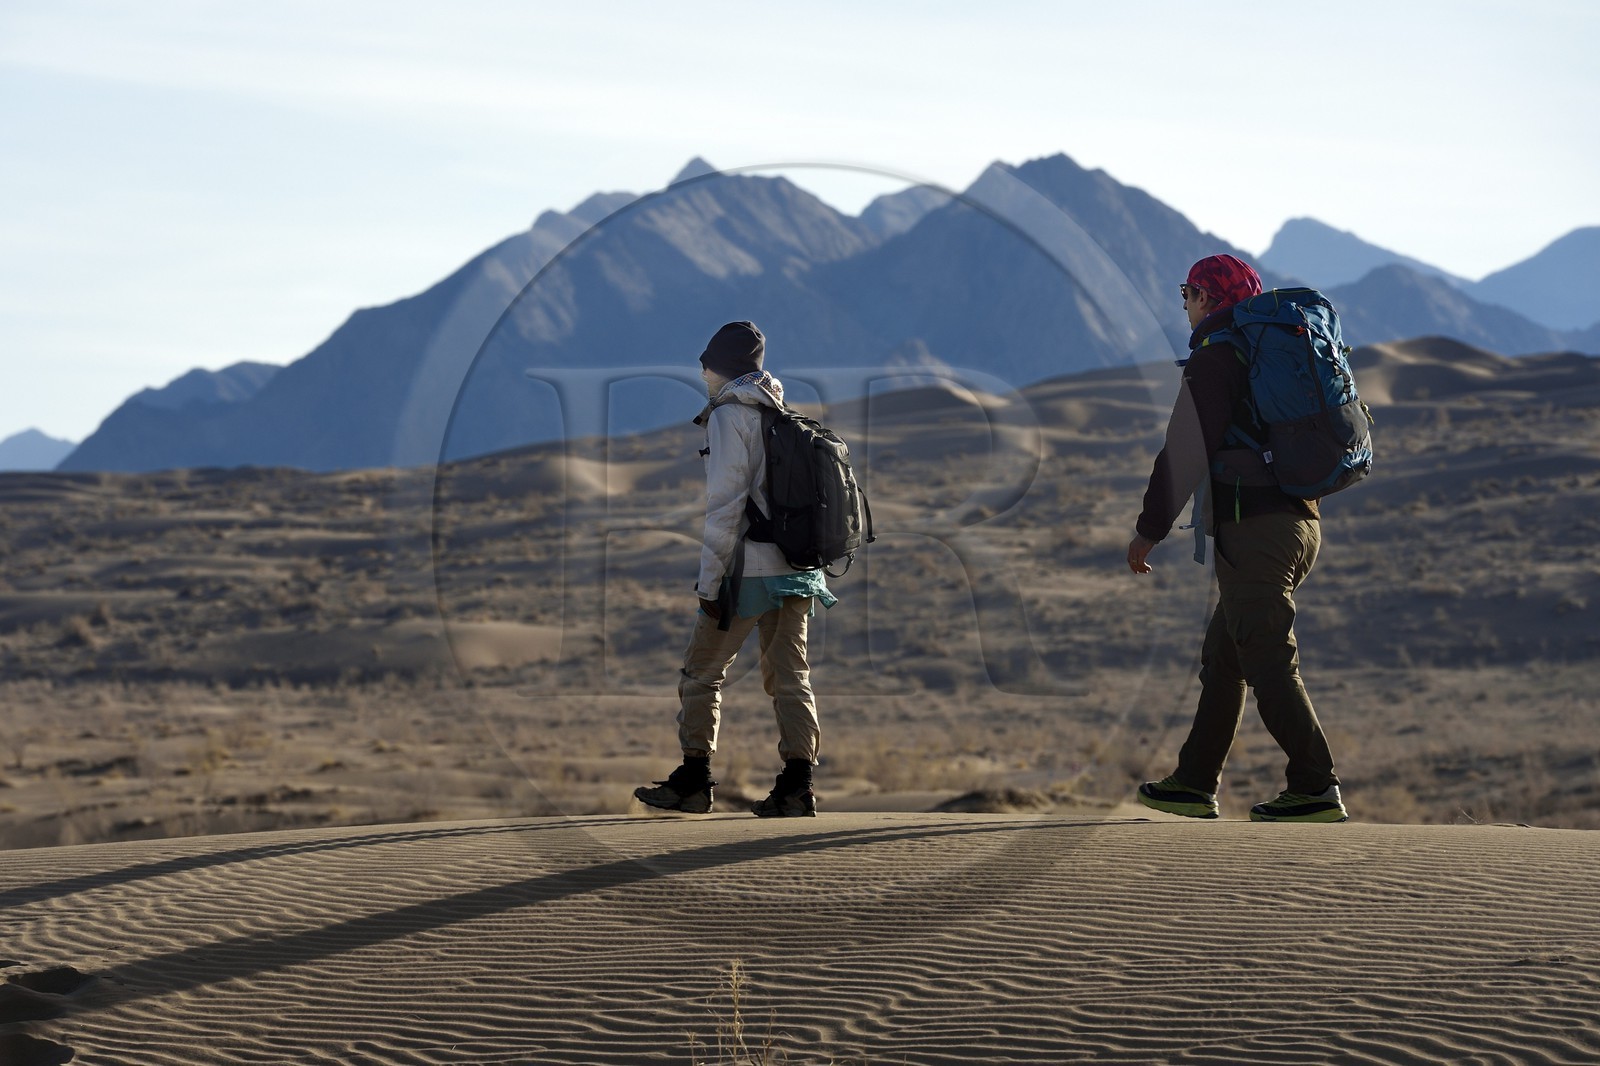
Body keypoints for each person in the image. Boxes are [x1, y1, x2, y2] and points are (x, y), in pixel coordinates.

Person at [1127, 255, 1347, 823]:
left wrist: (1148, 531)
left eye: (1188, 292)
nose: (1184, 304)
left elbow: (1184, 449)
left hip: (1257, 530)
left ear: (1207, 297)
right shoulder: (1256, 350)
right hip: (1297, 524)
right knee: (1225, 658)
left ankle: (1315, 786)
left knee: (1269, 658)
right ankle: (1194, 782)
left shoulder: (1217, 356)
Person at [634, 320, 835, 817]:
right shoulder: (781, 412)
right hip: (798, 569)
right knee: (791, 678)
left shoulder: (729, 416)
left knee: (701, 673)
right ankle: (797, 786)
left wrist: (709, 583)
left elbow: (726, 505)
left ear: (717, 366)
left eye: (705, 362)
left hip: (747, 572)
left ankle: (694, 780)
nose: (700, 371)